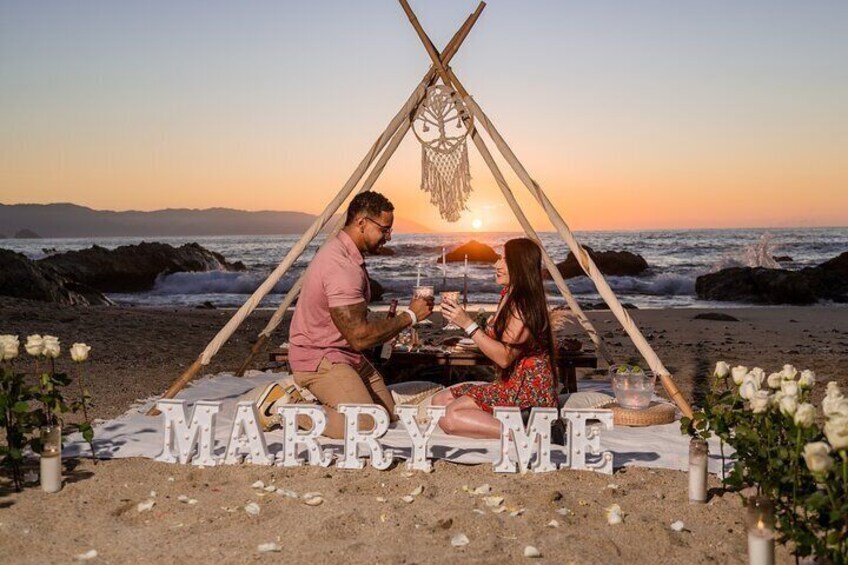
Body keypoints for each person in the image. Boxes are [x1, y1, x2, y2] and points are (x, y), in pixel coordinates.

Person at [256, 191, 434, 438]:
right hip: (320, 358)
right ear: (362, 222)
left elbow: (353, 325)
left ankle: (321, 397)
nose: (389, 237)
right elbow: (359, 337)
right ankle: (286, 407)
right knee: (367, 424)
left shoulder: (346, 253)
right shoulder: (341, 265)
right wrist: (409, 317)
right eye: (384, 229)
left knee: (388, 414)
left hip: (346, 355)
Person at [431, 238, 558, 439]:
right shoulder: (508, 294)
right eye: (499, 258)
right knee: (440, 400)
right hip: (508, 383)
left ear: (520, 265)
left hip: (527, 393)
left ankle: (527, 433)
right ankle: (496, 425)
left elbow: (504, 357)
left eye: (504, 260)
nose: (496, 264)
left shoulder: (525, 304)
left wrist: (467, 324)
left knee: (449, 418)